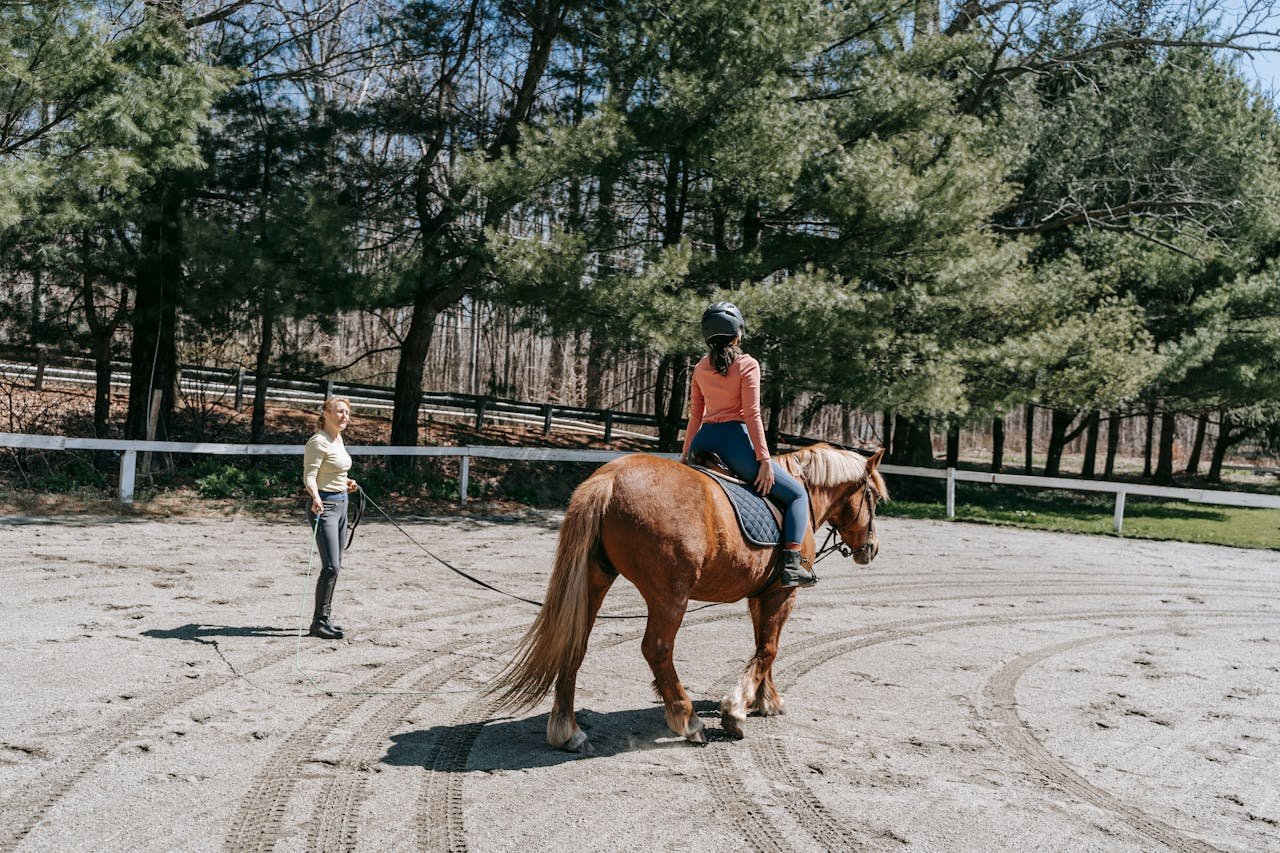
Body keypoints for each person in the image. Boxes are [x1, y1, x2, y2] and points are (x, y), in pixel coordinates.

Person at [680, 302, 816, 588]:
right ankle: (792, 562)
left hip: (703, 440)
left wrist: (685, 454)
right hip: (735, 443)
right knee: (796, 494)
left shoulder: (700, 367)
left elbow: (695, 415)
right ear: (737, 333)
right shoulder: (747, 364)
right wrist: (765, 460)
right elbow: (752, 413)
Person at [303, 396, 360, 639]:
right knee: (330, 566)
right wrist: (315, 497)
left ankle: (325, 617)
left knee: (336, 567)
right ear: (325, 413)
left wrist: (346, 482)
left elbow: (335, 471)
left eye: (347, 412)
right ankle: (319, 621)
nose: (344, 416)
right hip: (324, 506)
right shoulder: (318, 442)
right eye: (339, 412)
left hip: (341, 504)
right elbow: (310, 476)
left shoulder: (338, 439)